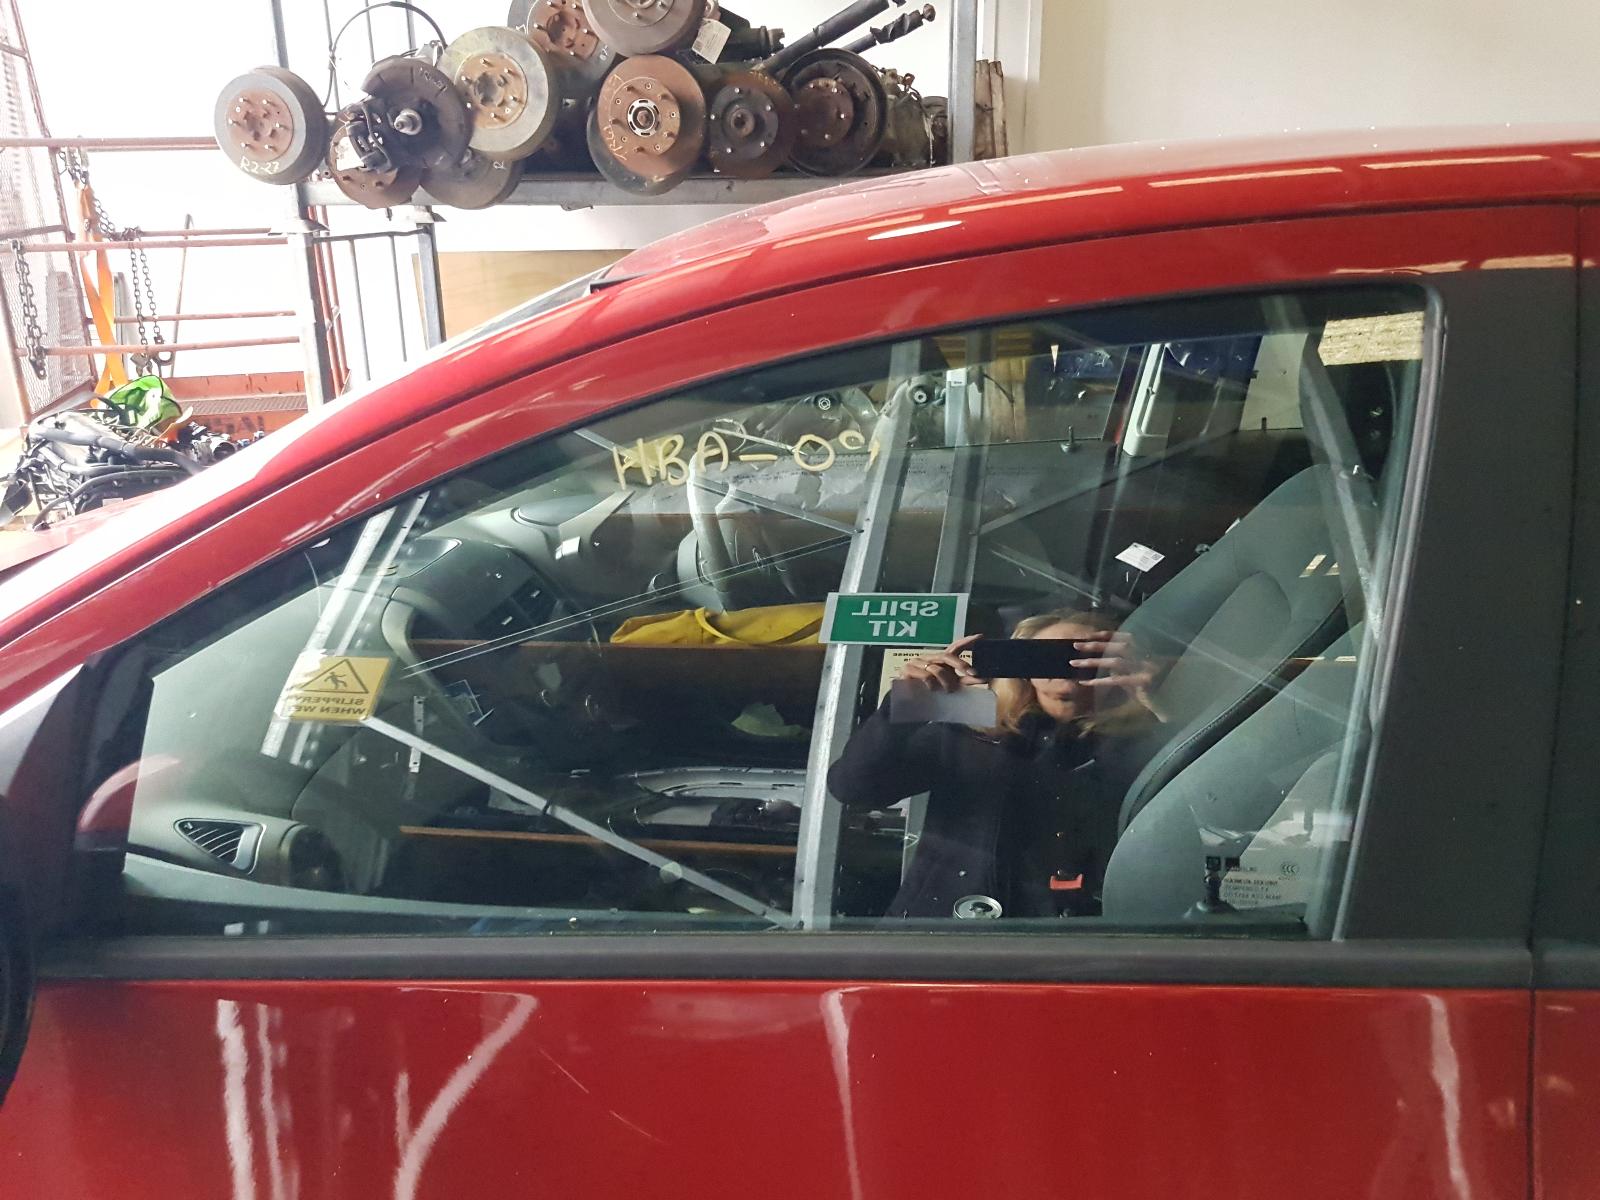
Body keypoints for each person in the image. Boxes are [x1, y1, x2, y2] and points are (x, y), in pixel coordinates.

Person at [827, 609, 1162, 920]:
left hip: (1087, 930)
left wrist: (1161, 708)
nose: (1067, 664)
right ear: (1022, 666)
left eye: (1085, 654)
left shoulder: (1146, 743)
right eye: (1048, 654)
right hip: (944, 928)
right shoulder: (972, 732)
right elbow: (853, 788)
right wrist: (906, 705)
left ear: (1118, 663)